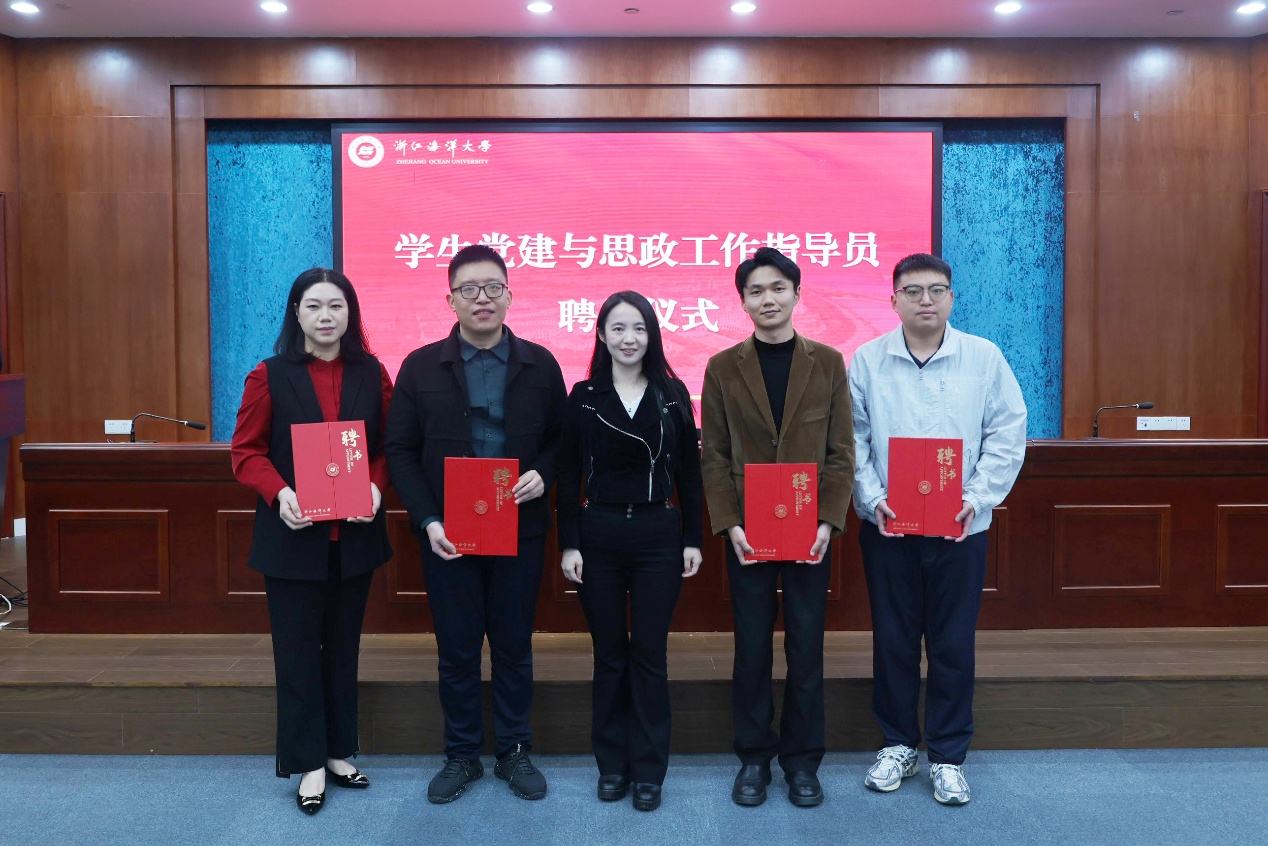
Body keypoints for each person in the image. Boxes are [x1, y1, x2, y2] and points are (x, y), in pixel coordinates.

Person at [385, 243, 567, 804]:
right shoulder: (420, 366)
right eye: (469, 289)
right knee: (457, 649)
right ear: (451, 300)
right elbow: (400, 451)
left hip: (520, 529)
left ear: (510, 295)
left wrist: (543, 473)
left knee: (513, 645)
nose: (481, 298)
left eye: (492, 287)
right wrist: (427, 519)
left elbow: (562, 441)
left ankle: (514, 750)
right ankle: (462, 755)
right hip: (448, 536)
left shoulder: (541, 364)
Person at [850, 253, 1026, 806]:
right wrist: (873, 499)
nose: (925, 300)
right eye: (912, 291)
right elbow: (851, 439)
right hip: (889, 529)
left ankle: (948, 756)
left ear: (951, 298)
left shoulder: (983, 357)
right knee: (893, 640)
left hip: (960, 529)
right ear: (893, 299)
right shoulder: (867, 360)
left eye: (936, 290)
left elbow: (1007, 432)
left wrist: (975, 498)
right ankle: (898, 744)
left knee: (952, 644)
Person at [231, 267, 394, 815]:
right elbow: (246, 452)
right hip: (293, 537)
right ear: (296, 314)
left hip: (354, 537)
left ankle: (340, 750)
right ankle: (307, 762)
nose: (326, 316)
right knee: (298, 652)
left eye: (336, 306)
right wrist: (280, 494)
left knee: (343, 647)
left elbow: (390, 445)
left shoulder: (372, 372)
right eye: (314, 306)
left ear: (351, 313)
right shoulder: (269, 375)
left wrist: (376, 487)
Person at [699, 247, 856, 808]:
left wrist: (828, 521)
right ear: (742, 302)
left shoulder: (828, 363)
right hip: (748, 532)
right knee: (751, 650)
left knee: (807, 647)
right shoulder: (722, 367)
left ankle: (803, 762)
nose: (768, 299)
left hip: (809, 531)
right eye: (756, 291)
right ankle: (754, 759)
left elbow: (841, 451)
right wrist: (729, 524)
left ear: (796, 294)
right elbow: (714, 455)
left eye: (777, 288)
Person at [557, 291, 704, 812]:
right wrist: (569, 543)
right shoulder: (584, 396)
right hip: (597, 533)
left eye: (638, 328)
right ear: (601, 334)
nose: (628, 338)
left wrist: (692, 538)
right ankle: (612, 766)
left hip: (658, 533)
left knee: (649, 654)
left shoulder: (672, 393)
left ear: (652, 335)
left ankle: (648, 771)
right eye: (618, 328)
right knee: (609, 654)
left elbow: (689, 473)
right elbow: (567, 473)